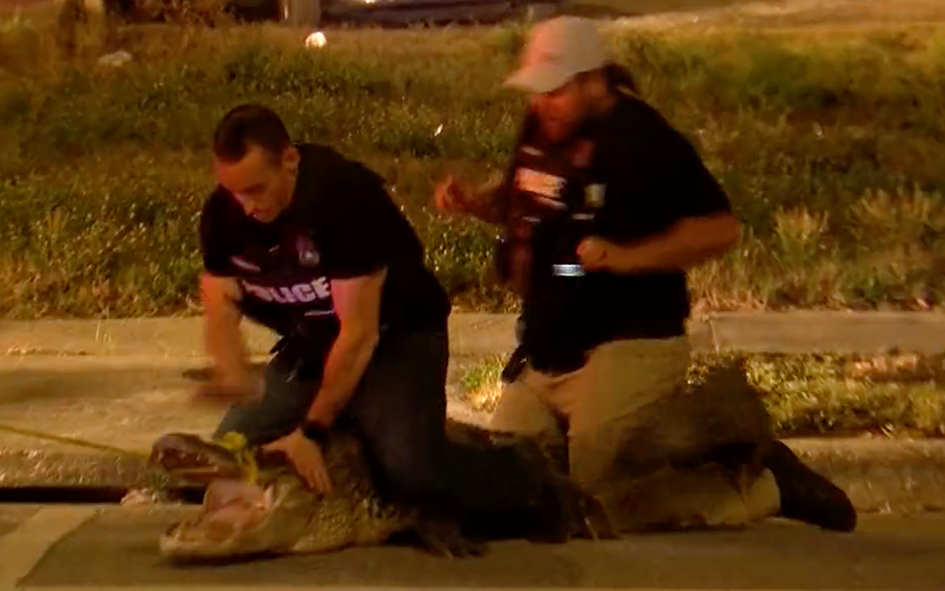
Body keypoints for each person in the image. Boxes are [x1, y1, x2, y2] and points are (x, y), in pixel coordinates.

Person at [433, 16, 856, 533]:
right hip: (547, 352)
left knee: (599, 502)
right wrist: (475, 204)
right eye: (536, 90)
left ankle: (761, 481)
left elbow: (721, 229)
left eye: (555, 90)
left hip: (628, 342)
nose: (540, 103)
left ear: (595, 81)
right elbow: (529, 202)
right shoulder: (544, 124)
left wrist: (625, 257)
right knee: (507, 491)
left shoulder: (643, 140)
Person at [194, 103, 464, 526]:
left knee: (411, 472)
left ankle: (524, 473)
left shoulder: (342, 199)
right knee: (232, 449)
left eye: (256, 190)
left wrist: (310, 432)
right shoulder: (224, 214)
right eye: (234, 193)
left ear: (289, 160)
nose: (245, 206)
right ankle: (350, 429)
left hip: (397, 336)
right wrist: (231, 369)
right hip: (314, 340)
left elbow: (359, 336)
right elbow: (218, 297)